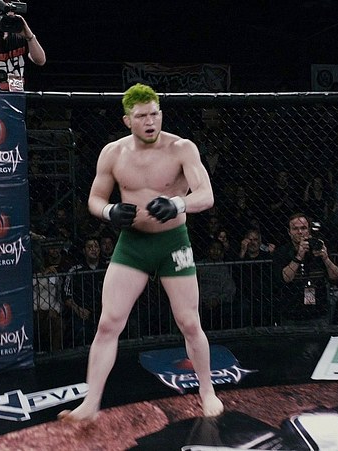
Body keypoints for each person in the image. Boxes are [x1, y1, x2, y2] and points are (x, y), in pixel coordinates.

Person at [58, 83, 223, 421]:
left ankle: (208, 391)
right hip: (132, 244)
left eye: (154, 114)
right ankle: (91, 404)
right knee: (108, 323)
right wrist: (110, 212)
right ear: (127, 120)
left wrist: (177, 203)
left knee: (189, 322)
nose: (150, 122)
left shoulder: (182, 148)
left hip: (173, 242)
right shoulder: (113, 153)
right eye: (142, 116)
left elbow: (206, 195)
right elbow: (95, 200)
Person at [272, 213, 338, 327]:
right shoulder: (282, 252)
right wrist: (299, 256)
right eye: (295, 229)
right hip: (291, 313)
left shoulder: (319, 247)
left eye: (303, 228)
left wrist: (326, 258)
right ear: (289, 232)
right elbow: (285, 278)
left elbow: (335, 276)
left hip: (319, 313)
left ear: (309, 230)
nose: (300, 232)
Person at [62, 237, 107, 348]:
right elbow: (66, 296)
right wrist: (78, 309)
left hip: (103, 311)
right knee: (81, 330)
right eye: (90, 247)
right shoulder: (75, 270)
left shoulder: (107, 268)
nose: (93, 249)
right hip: (82, 311)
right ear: (84, 251)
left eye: (96, 246)